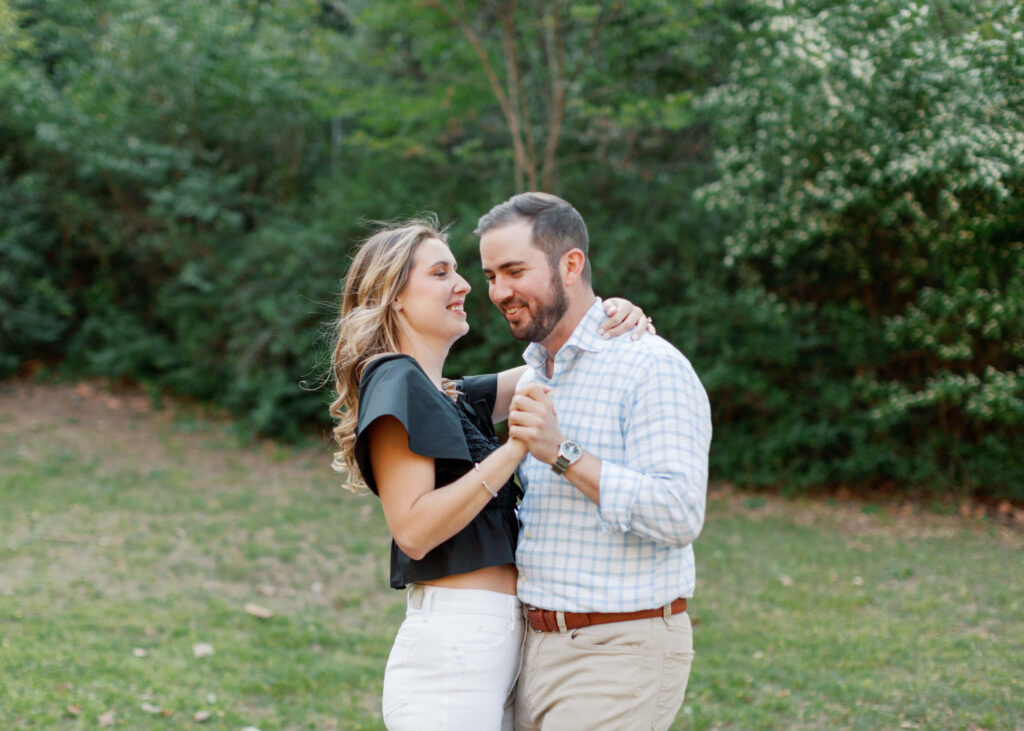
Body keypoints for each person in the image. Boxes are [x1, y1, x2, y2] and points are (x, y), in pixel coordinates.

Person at [327, 217, 653, 730]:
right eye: (440, 273)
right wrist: (517, 448)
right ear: (395, 297)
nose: (462, 285)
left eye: (458, 271)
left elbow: (557, 364)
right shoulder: (395, 379)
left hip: (492, 643)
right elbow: (412, 531)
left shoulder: (448, 394)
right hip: (455, 650)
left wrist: (606, 315)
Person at [476, 192, 713, 731]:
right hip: (531, 650)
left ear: (571, 264)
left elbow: (679, 513)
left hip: (618, 652)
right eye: (490, 275)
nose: (499, 292)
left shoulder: (651, 367)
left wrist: (562, 453)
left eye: (514, 270)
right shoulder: (537, 374)